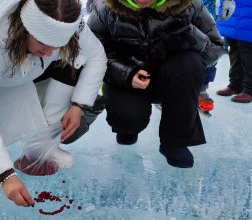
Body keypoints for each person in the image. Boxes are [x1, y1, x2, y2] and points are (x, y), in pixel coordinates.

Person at [0, 0, 106, 207]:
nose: (49, 52)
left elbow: (97, 55)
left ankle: (42, 145)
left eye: (57, 45)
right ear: (24, 27)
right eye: (44, 43)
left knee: (76, 57)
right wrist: (4, 175)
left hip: (24, 69)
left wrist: (79, 105)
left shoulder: (65, 17)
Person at [87, 0, 225, 168]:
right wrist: (126, 73)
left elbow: (215, 51)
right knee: (127, 119)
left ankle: (175, 141)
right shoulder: (106, 7)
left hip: (170, 79)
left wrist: (191, 35)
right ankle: (127, 128)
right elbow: (91, 53)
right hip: (126, 81)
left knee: (191, 62)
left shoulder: (190, 5)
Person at [198, 0, 235, 113]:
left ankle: (201, 90)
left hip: (207, 13)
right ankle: (170, 89)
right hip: (177, 8)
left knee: (209, 51)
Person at [216, 0, 252, 103]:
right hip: (233, 11)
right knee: (234, 48)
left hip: (248, 12)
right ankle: (235, 85)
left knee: (247, 50)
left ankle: (249, 90)